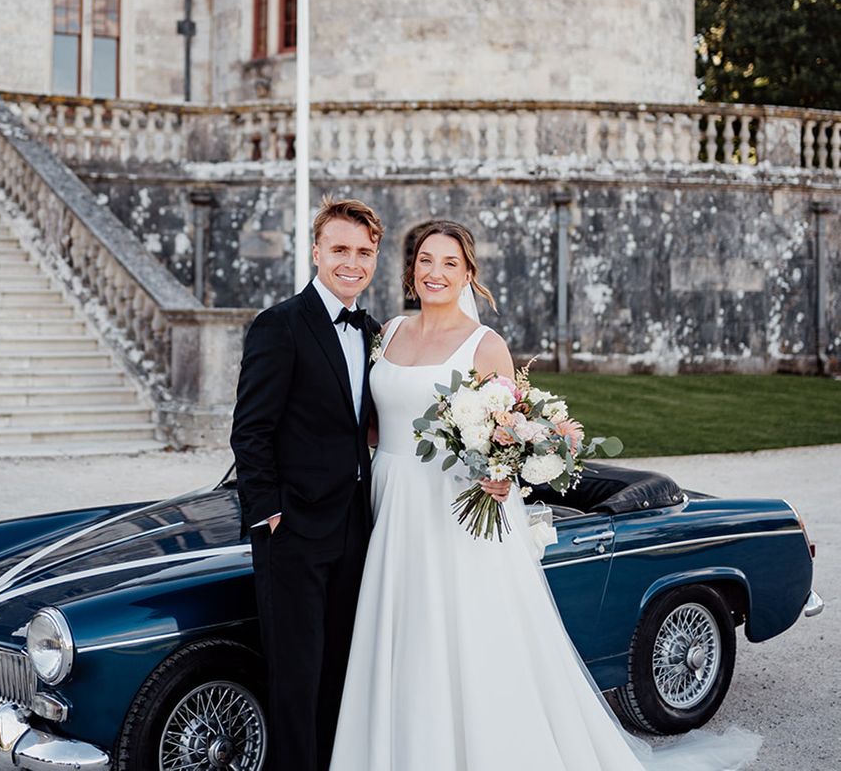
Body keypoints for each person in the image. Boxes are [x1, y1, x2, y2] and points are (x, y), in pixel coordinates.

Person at [330, 220, 761, 771]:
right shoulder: (387, 333)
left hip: (455, 508)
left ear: (468, 274)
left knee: (463, 634)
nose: (435, 273)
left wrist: (503, 472)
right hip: (392, 499)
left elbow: (506, 434)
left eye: (450, 263)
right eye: (426, 261)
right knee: (401, 632)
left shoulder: (484, 345)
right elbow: (375, 421)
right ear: (411, 269)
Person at [230, 196, 383, 771]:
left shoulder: (375, 333)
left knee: (341, 670)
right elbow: (251, 429)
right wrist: (267, 512)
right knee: (296, 678)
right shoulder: (280, 325)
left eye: (364, 252)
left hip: (356, 528)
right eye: (340, 249)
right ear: (316, 251)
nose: (352, 262)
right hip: (292, 531)